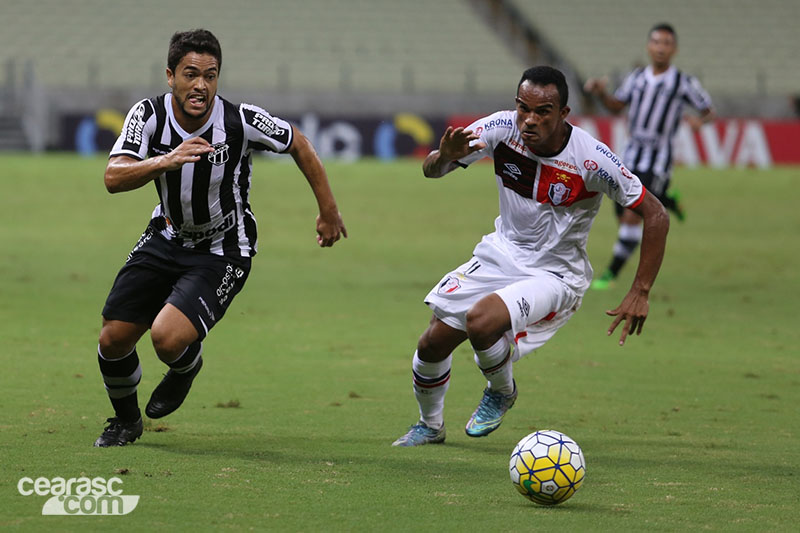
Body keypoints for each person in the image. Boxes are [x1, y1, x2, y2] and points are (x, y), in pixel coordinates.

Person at [93, 29, 347, 447]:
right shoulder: (148, 115)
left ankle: (184, 367)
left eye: (210, 75)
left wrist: (328, 210)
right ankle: (126, 421)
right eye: (191, 74)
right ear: (170, 76)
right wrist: (167, 160)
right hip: (167, 235)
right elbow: (113, 177)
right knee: (113, 339)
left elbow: (297, 141)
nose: (201, 85)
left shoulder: (240, 120)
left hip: (223, 248)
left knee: (167, 338)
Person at [392, 66, 669, 447]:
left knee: (481, 321)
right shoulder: (500, 129)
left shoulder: (591, 160)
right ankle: (430, 426)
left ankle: (502, 391)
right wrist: (443, 159)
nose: (530, 120)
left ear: (564, 114)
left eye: (543, 111)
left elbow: (655, 213)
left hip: (555, 273)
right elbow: (431, 171)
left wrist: (641, 289)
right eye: (524, 108)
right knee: (431, 344)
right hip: (501, 254)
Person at [584, 23, 714, 290]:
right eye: (656, 42)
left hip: (659, 157)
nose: (661, 48)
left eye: (666, 43)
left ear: (674, 49)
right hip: (632, 153)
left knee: (634, 214)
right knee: (623, 213)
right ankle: (668, 199)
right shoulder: (637, 78)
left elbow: (708, 110)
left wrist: (702, 122)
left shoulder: (683, 82)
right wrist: (601, 93)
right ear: (648, 46)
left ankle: (611, 273)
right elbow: (616, 106)